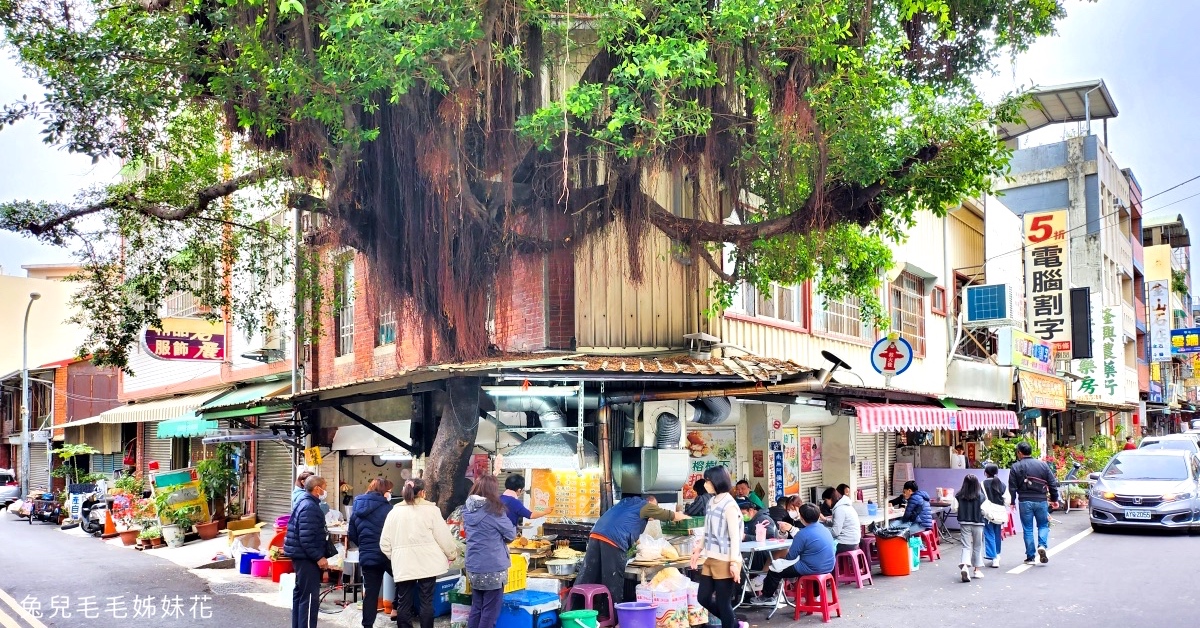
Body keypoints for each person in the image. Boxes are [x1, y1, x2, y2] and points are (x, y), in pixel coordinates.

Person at [579, 494, 687, 604]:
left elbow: (627, 534)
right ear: (651, 503)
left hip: (596, 534)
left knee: (587, 576)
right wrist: (688, 519)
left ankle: (573, 611)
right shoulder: (645, 506)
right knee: (612, 582)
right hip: (613, 539)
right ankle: (615, 617)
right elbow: (669, 515)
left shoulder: (626, 503)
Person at [380, 479, 458, 628]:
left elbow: (384, 543)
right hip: (428, 564)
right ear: (422, 493)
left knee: (403, 601)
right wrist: (451, 554)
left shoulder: (394, 512)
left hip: (403, 564)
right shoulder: (431, 510)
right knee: (426, 601)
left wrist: (396, 556)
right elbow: (444, 537)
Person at [749, 503, 835, 606]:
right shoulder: (824, 529)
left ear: (802, 518)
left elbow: (791, 557)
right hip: (828, 566)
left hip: (811, 567)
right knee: (784, 566)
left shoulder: (803, 534)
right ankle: (815, 594)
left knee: (775, 569)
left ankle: (767, 597)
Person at [689, 466, 742, 628]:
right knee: (703, 598)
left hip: (726, 559)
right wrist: (698, 549)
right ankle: (733, 623)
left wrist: (734, 562)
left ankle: (731, 623)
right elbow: (708, 530)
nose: (705, 484)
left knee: (723, 602)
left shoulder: (730, 505)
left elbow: (735, 537)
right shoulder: (711, 501)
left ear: (716, 482)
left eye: (707, 481)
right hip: (711, 558)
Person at [463, 475, 516, 628]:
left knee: (477, 608)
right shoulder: (494, 511)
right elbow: (510, 534)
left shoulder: (467, 509)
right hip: (493, 567)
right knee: (490, 612)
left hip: (474, 566)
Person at [284, 475, 333, 628]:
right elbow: (306, 537)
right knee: (310, 598)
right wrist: (319, 557)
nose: (326, 490)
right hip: (306, 558)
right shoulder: (310, 507)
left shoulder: (304, 502)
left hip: (301, 556)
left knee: (301, 595)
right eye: (324, 486)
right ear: (317, 489)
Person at [348, 478, 394, 628]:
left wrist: (365, 545)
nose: (390, 494)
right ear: (383, 492)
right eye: (389, 491)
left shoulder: (357, 508)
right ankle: (397, 610)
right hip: (387, 555)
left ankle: (367, 625)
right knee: (404, 581)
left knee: (371, 593)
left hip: (367, 556)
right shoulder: (388, 509)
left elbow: (352, 534)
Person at [1009, 441, 1060, 566]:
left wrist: (1012, 501)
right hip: (1041, 500)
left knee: (1028, 529)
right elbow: (1052, 483)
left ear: (1020, 453)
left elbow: (1012, 487)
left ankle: (1030, 557)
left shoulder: (1016, 466)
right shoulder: (1042, 465)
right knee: (1043, 525)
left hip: (1024, 500)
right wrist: (1054, 499)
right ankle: (1042, 545)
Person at [954, 474, 987, 582]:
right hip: (978, 524)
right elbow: (985, 511)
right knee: (977, 546)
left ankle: (964, 566)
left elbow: (954, 508)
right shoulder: (981, 497)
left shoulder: (958, 496)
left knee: (966, 546)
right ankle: (977, 570)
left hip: (964, 523)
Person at [982, 463, 1007, 568]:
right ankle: (997, 554)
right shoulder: (1002, 484)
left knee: (989, 534)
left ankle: (993, 557)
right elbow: (1007, 500)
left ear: (985, 473)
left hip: (988, 513)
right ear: (996, 472)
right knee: (997, 533)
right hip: (1000, 513)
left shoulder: (982, 484)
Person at [829, 486, 862, 555]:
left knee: (823, 546)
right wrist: (825, 520)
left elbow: (835, 532)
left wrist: (823, 532)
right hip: (854, 542)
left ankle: (832, 565)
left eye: (826, 500)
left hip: (846, 544)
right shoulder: (847, 506)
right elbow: (837, 523)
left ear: (831, 499)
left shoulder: (839, 509)